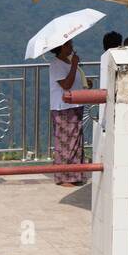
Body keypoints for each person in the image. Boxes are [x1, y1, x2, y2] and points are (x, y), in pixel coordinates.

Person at [47, 40, 87, 187]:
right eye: (69, 45)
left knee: (76, 141)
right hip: (63, 107)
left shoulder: (68, 63)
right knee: (65, 143)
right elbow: (66, 85)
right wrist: (75, 65)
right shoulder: (56, 64)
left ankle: (75, 175)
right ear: (62, 47)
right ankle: (64, 177)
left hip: (75, 104)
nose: (72, 47)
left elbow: (73, 82)